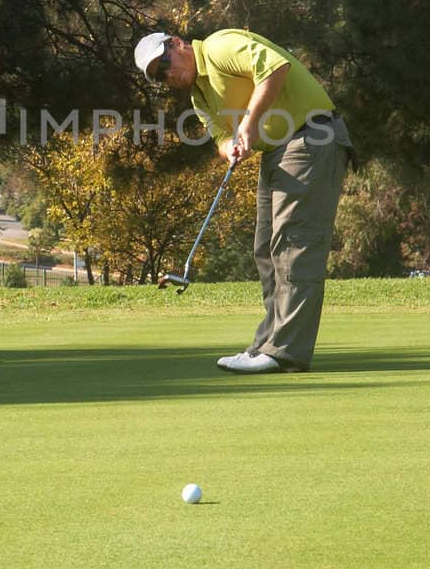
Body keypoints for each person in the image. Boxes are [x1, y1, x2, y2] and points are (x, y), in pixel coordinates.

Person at [134, 28, 354, 374]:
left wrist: (249, 124)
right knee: (266, 248)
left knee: (294, 246)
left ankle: (285, 352)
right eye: (159, 76)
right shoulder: (200, 97)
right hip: (277, 150)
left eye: (165, 63)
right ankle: (266, 344)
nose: (168, 75)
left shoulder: (221, 46)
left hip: (311, 137)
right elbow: (220, 137)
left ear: (176, 44)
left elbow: (275, 68)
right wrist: (231, 146)